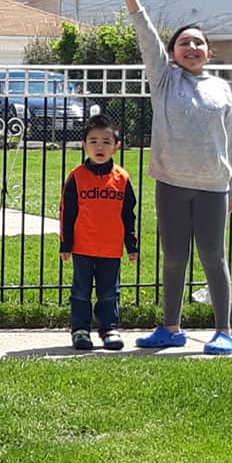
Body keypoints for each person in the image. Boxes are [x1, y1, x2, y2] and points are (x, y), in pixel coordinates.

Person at [96, 0, 232, 354]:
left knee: (213, 256)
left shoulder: (221, 88)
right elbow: (144, 33)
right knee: (175, 257)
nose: (191, 48)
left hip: (213, 186)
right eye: (183, 44)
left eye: (198, 43)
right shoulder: (163, 79)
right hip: (172, 184)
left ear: (209, 51)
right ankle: (170, 327)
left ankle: (224, 330)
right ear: (173, 53)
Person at [60, 113, 138, 351]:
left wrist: (131, 245)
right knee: (81, 291)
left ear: (116, 146)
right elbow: (67, 212)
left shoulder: (122, 178)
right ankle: (80, 330)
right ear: (84, 145)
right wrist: (66, 244)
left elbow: (128, 214)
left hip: (111, 247)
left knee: (109, 292)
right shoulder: (77, 177)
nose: (99, 147)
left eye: (106, 141)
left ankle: (109, 328)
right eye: (93, 141)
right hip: (83, 246)